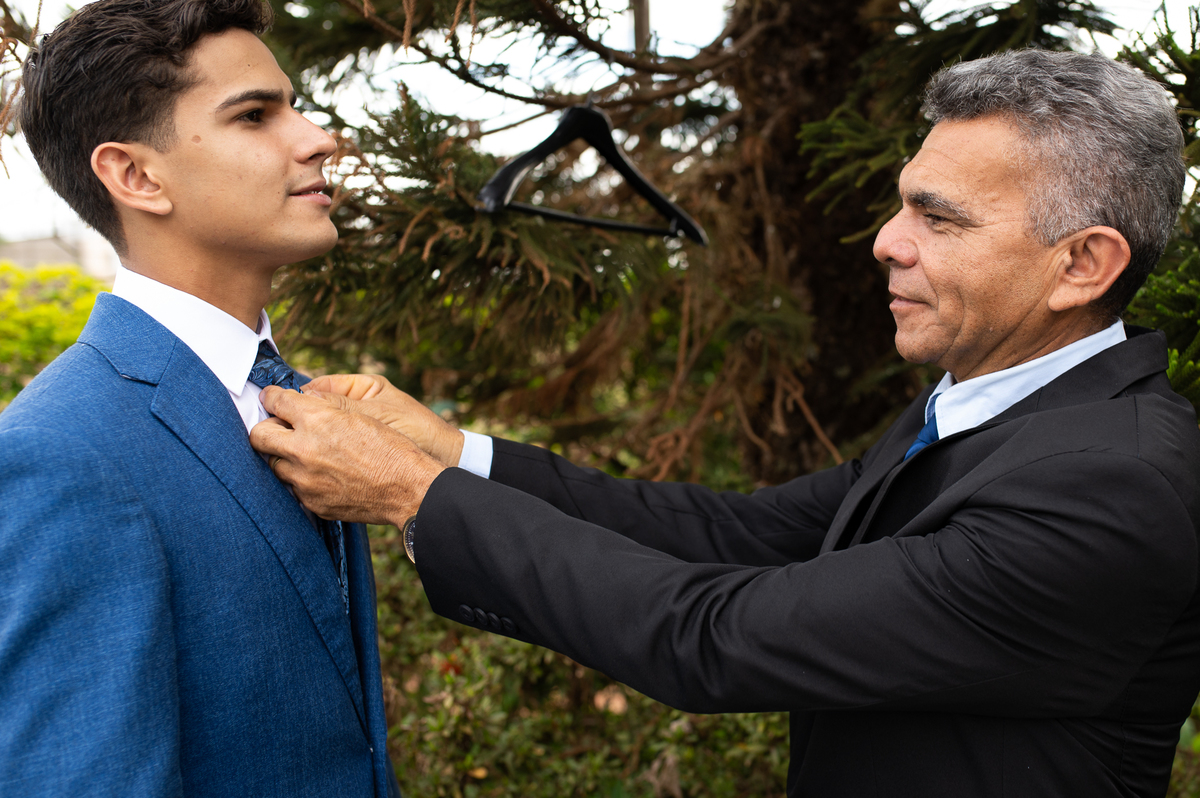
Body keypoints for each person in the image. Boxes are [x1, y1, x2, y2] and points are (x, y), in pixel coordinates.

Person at [252, 49, 1200, 797]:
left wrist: (415, 496)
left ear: (1083, 264)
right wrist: (458, 453)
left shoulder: (1107, 487)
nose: (885, 241)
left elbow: (717, 637)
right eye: (901, 202)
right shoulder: (994, 410)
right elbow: (742, 534)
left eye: (938, 218)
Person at [0, 1, 400, 795]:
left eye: (294, 104)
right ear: (136, 176)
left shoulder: (297, 398)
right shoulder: (59, 453)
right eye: (255, 115)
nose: (318, 138)